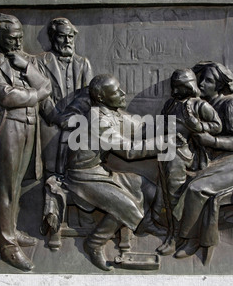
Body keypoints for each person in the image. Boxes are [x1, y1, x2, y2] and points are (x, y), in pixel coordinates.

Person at [0, 14, 52, 271]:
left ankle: (11, 230)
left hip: (30, 127)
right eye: (10, 39)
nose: (16, 43)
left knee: (16, 185)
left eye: (19, 37)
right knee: (6, 187)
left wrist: (26, 68)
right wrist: (36, 94)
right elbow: (6, 96)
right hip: (8, 128)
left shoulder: (26, 59)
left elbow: (46, 85)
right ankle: (6, 245)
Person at [63, 74, 163, 271]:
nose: (123, 93)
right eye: (117, 91)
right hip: (83, 176)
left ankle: (144, 223)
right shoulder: (97, 119)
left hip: (99, 171)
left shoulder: (112, 112)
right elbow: (129, 151)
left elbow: (140, 128)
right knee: (125, 206)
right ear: (101, 97)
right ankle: (94, 243)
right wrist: (162, 144)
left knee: (148, 188)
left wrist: (171, 128)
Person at [172, 61, 233, 259]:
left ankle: (192, 240)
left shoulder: (231, 104)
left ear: (219, 85)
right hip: (221, 159)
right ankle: (172, 229)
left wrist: (212, 140)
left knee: (196, 188)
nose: (201, 84)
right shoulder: (205, 105)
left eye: (207, 81)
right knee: (179, 177)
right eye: (200, 80)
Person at [37, 18, 94, 250]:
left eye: (71, 36)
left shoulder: (83, 63)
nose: (67, 40)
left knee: (78, 171)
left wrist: (74, 116)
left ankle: (84, 217)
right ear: (53, 37)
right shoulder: (42, 63)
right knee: (53, 176)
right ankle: (54, 225)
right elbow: (41, 95)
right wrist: (58, 118)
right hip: (51, 126)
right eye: (62, 36)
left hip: (77, 124)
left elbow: (89, 94)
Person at [156, 69, 222, 256]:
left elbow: (217, 126)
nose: (176, 90)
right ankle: (169, 231)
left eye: (180, 86)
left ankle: (177, 237)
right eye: (174, 86)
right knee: (165, 195)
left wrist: (199, 127)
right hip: (166, 150)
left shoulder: (199, 106)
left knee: (174, 195)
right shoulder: (170, 104)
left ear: (189, 86)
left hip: (185, 155)